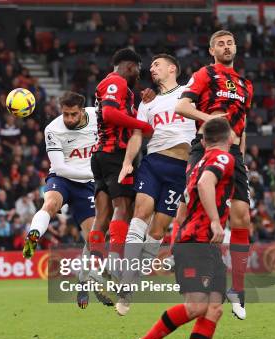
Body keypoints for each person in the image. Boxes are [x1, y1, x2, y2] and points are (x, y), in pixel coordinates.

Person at [131, 117, 235, 339]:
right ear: (230, 137)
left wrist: (178, 236)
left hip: (197, 242)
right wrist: (214, 220)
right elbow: (205, 185)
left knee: (214, 308)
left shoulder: (195, 164)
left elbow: (182, 208)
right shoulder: (221, 159)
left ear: (203, 140)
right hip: (197, 242)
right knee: (196, 306)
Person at [175, 30, 253, 320]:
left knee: (242, 216)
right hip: (204, 147)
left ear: (236, 46)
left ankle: (239, 289)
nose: (226, 46)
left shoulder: (246, 85)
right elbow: (182, 106)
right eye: (220, 43)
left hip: (234, 154)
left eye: (230, 42)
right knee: (192, 210)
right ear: (212, 50)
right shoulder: (205, 74)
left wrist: (241, 155)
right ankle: (186, 269)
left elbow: (242, 126)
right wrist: (213, 121)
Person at [115, 54, 196, 315]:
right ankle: (127, 282)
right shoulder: (148, 103)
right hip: (153, 163)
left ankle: (135, 279)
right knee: (141, 213)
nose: (152, 68)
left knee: (159, 230)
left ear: (172, 68)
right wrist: (128, 161)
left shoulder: (189, 92)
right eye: (150, 66)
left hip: (181, 169)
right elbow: (138, 134)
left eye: (157, 64)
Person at [22, 91, 111, 307]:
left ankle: (83, 283)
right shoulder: (53, 129)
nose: (69, 119)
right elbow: (60, 167)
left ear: (82, 110)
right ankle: (33, 236)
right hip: (63, 178)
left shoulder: (98, 116)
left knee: (93, 238)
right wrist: (97, 175)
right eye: (65, 114)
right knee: (50, 203)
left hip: (88, 186)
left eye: (73, 114)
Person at [89, 48, 154, 313]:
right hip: (115, 155)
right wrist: (144, 127)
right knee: (122, 209)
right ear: (129, 65)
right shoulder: (116, 81)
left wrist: (141, 103)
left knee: (102, 215)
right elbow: (110, 114)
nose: (140, 73)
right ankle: (115, 264)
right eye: (139, 68)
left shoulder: (114, 86)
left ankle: (94, 266)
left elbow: (118, 113)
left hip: (100, 155)